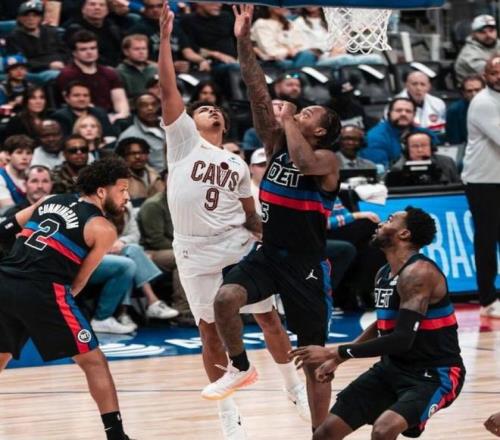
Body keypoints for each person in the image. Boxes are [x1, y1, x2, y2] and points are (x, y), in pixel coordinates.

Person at [159, 5, 309, 438]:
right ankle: (228, 414)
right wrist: (165, 41)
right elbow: (167, 88)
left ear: (224, 126)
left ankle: (293, 387)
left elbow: (250, 214)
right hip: (193, 248)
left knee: (268, 319)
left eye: (216, 110)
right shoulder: (182, 143)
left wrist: (270, 237)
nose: (211, 110)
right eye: (203, 108)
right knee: (209, 333)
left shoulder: (237, 164)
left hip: (235, 243)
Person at [204, 4, 341, 432]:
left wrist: (289, 119)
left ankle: (321, 432)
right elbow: (256, 89)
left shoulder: (327, 159)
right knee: (225, 299)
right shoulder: (279, 143)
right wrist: (243, 39)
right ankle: (240, 366)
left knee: (314, 357)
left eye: (307, 115)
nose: (298, 114)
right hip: (268, 254)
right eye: (299, 112)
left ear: (320, 131)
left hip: (305, 264)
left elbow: (303, 161)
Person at [290, 207, 465, 440]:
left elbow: (402, 339)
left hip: (434, 373)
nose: (381, 223)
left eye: (390, 220)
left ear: (404, 234)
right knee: (325, 433)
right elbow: (383, 325)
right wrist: (338, 359)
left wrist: (333, 351)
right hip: (392, 369)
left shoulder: (419, 273)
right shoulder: (383, 272)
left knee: (384, 429)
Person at [0, 157, 133, 440]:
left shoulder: (51, 200)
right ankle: (117, 436)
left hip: (5, 281)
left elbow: (4, 230)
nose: (127, 197)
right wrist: (45, 310)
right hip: (43, 291)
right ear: (102, 191)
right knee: (94, 362)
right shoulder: (103, 228)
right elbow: (78, 282)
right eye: (122, 190)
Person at [462, 55, 500, 318]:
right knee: (486, 239)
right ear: (485, 76)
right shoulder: (483, 102)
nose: (499, 77)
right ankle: (487, 299)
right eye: (494, 72)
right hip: (482, 180)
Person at [56, 30, 130, 121]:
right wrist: (103, 119)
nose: (89, 52)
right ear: (74, 53)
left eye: (93, 48)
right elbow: (78, 103)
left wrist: (119, 116)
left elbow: (121, 101)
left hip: (112, 117)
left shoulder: (109, 73)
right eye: (83, 49)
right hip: (83, 119)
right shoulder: (67, 75)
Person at [361, 97, 437, 169]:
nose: (403, 114)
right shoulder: (375, 137)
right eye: (398, 110)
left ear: (414, 115)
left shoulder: (425, 134)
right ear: (389, 113)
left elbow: (436, 160)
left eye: (408, 111)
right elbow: (379, 170)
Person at [6, 1, 68, 84]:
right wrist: (48, 65)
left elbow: (66, 52)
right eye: (26, 15)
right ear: (20, 18)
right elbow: (20, 61)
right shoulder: (14, 37)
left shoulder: (51, 31)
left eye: (35, 15)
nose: (31, 19)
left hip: (62, 66)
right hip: (37, 70)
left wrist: (64, 63)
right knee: (58, 76)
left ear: (40, 18)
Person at [250, 6, 317, 69]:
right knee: (307, 57)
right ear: (269, 7)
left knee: (308, 55)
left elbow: (301, 43)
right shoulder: (262, 23)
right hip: (274, 60)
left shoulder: (290, 23)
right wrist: (288, 52)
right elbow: (270, 50)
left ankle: (296, 76)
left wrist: (295, 51)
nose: (283, 7)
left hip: (296, 57)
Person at [64, 0, 122, 67]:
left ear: (107, 11)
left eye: (102, 5)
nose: (97, 8)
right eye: (92, 4)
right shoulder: (75, 29)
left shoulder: (113, 28)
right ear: (83, 9)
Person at [389, 131, 461, 185]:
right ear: (407, 149)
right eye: (415, 146)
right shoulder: (398, 168)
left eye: (424, 145)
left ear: (431, 147)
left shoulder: (447, 162)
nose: (420, 150)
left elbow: (458, 188)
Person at [117, 93, 166, 172]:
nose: (150, 108)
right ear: (136, 109)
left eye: (154, 104)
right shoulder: (129, 135)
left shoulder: (170, 127)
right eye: (144, 105)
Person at [51, 80, 116, 137]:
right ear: (67, 98)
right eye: (76, 95)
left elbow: (109, 136)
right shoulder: (60, 116)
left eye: (85, 95)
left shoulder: (100, 113)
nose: (82, 99)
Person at [115, 136, 164, 207]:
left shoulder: (156, 176)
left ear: (147, 155)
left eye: (142, 153)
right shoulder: (119, 179)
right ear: (123, 157)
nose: (138, 156)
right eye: (132, 153)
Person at [396, 71, 446, 138]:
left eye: (422, 84)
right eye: (414, 84)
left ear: (429, 87)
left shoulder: (438, 104)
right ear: (407, 86)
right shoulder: (395, 105)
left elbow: (442, 131)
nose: (418, 88)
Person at [455, 14, 500, 84]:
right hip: (475, 89)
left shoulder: (497, 43)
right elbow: (493, 71)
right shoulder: (468, 54)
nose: (488, 35)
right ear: (473, 34)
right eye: (482, 32)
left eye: (491, 31)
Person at [445, 74, 485, 145]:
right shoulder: (455, 111)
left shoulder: (495, 106)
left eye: (477, 90)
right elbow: (455, 142)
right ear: (464, 93)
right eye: (469, 91)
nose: (474, 94)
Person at [116, 34, 158, 100]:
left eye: (144, 48)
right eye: (136, 49)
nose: (141, 52)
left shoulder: (155, 68)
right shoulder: (119, 72)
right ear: (126, 52)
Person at [0, 135, 33, 209]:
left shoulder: (33, 175)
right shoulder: (1, 177)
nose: (24, 157)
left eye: (28, 153)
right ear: (8, 155)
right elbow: (8, 210)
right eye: (19, 152)